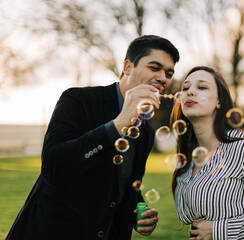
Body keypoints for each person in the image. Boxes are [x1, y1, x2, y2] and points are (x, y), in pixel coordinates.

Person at [6, 35, 180, 240]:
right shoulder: (78, 100)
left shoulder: (146, 131)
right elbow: (54, 165)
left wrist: (136, 214)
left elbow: (124, 185)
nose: (163, 78)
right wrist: (118, 124)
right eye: (154, 67)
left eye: (169, 73)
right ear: (127, 67)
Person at [170, 66, 244, 240]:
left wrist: (218, 230)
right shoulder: (189, 156)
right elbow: (191, 219)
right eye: (186, 88)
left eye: (202, 87)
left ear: (219, 101)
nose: (190, 92)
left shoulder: (242, 149)